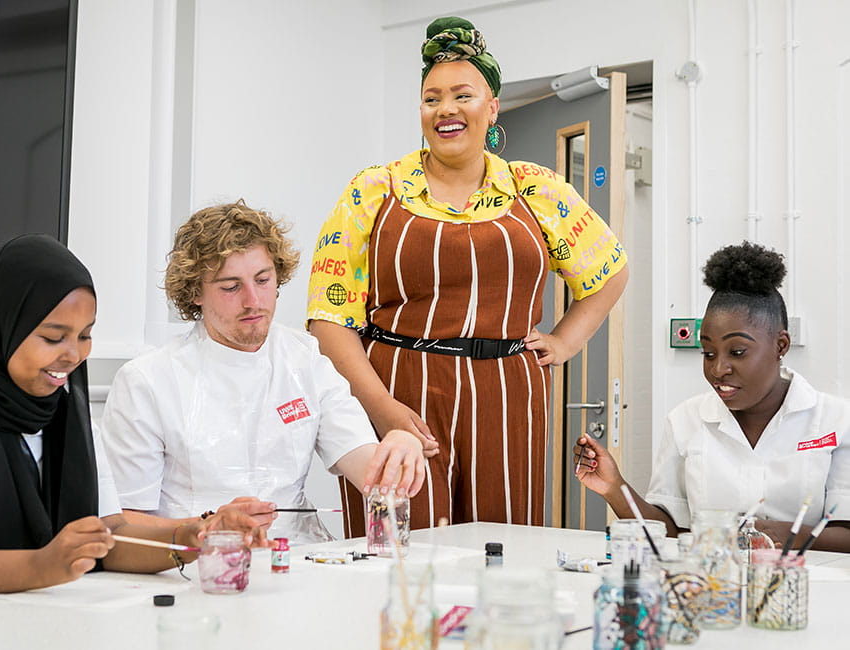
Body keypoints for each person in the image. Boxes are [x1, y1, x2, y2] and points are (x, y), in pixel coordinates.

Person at [307, 16, 628, 534]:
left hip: (510, 396)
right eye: (432, 99)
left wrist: (567, 341)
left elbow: (609, 270)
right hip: (399, 390)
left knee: (503, 547)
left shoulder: (536, 188)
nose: (446, 110)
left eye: (463, 95)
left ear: (492, 107)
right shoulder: (373, 190)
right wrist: (383, 408)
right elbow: (328, 319)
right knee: (400, 549)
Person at [0, 235, 266, 595]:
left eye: (85, 335)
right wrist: (39, 566)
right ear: (3, 326)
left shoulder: (65, 407)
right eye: (53, 337)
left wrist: (193, 535)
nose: (73, 355)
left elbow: (110, 538)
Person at [101, 201, 425, 544]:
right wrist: (208, 525)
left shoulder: (305, 358)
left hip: (299, 558)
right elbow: (122, 522)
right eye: (230, 286)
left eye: (263, 280)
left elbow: (367, 467)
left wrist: (397, 453)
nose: (253, 300)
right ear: (196, 291)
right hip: (198, 566)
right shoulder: (147, 381)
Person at [575, 242, 850, 552]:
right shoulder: (685, 420)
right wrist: (615, 487)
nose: (718, 369)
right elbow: (670, 530)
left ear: (781, 345)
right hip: (712, 586)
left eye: (737, 352)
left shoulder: (836, 421)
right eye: (708, 353)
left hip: (809, 588)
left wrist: (767, 532)